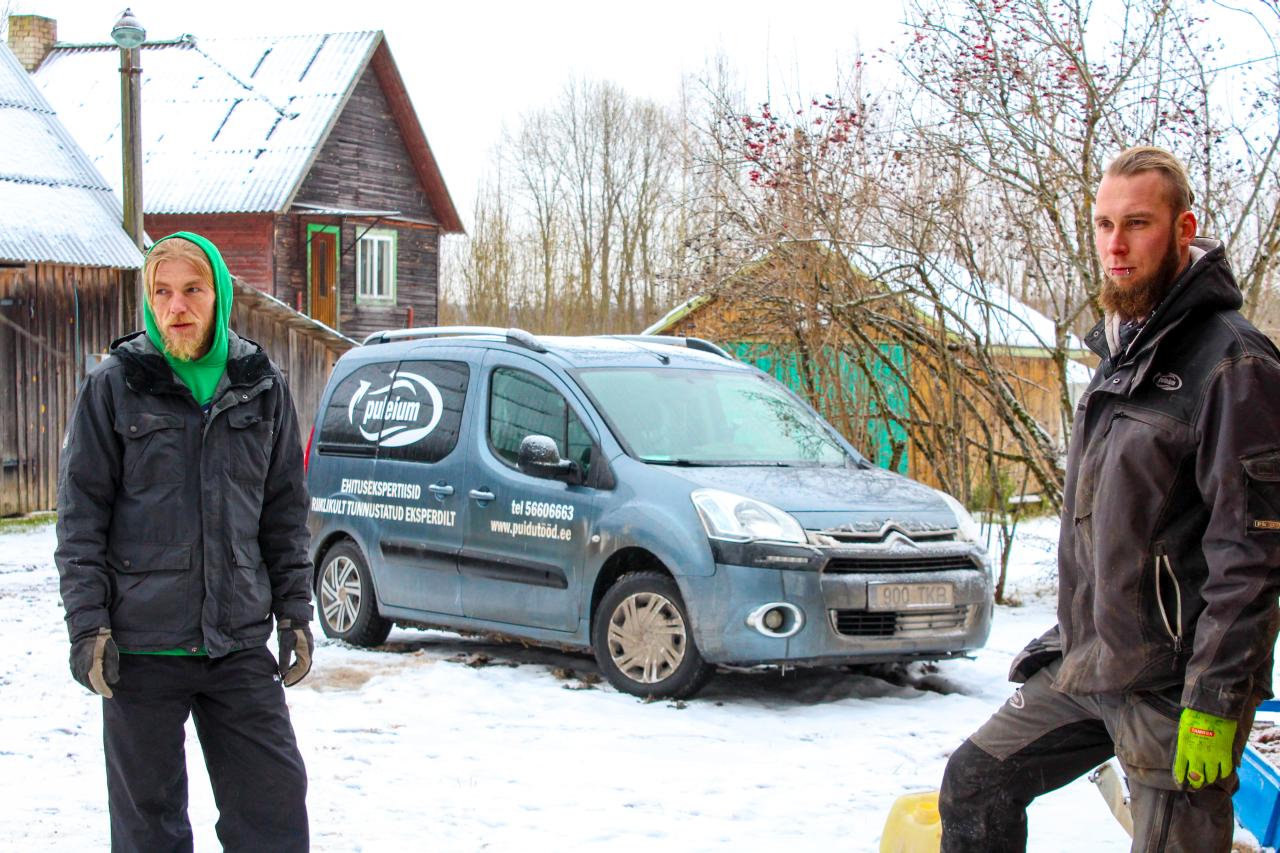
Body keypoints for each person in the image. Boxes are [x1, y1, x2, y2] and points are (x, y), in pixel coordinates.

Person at [939, 147, 1280, 851]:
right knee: (977, 780)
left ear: (1184, 229)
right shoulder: (1125, 353)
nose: (1114, 246)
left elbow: (1252, 555)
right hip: (1093, 663)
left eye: (1137, 224)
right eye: (1102, 225)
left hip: (1174, 688)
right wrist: (1069, 637)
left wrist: (1216, 701)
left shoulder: (1232, 364)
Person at [55, 232, 315, 852]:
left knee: (274, 807)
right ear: (149, 299)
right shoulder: (117, 384)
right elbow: (80, 519)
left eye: (192, 290)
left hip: (238, 644)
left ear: (219, 296)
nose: (177, 307)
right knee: (150, 826)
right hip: (141, 649)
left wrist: (296, 615)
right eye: (163, 292)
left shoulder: (261, 384)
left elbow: (283, 513)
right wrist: (87, 627)